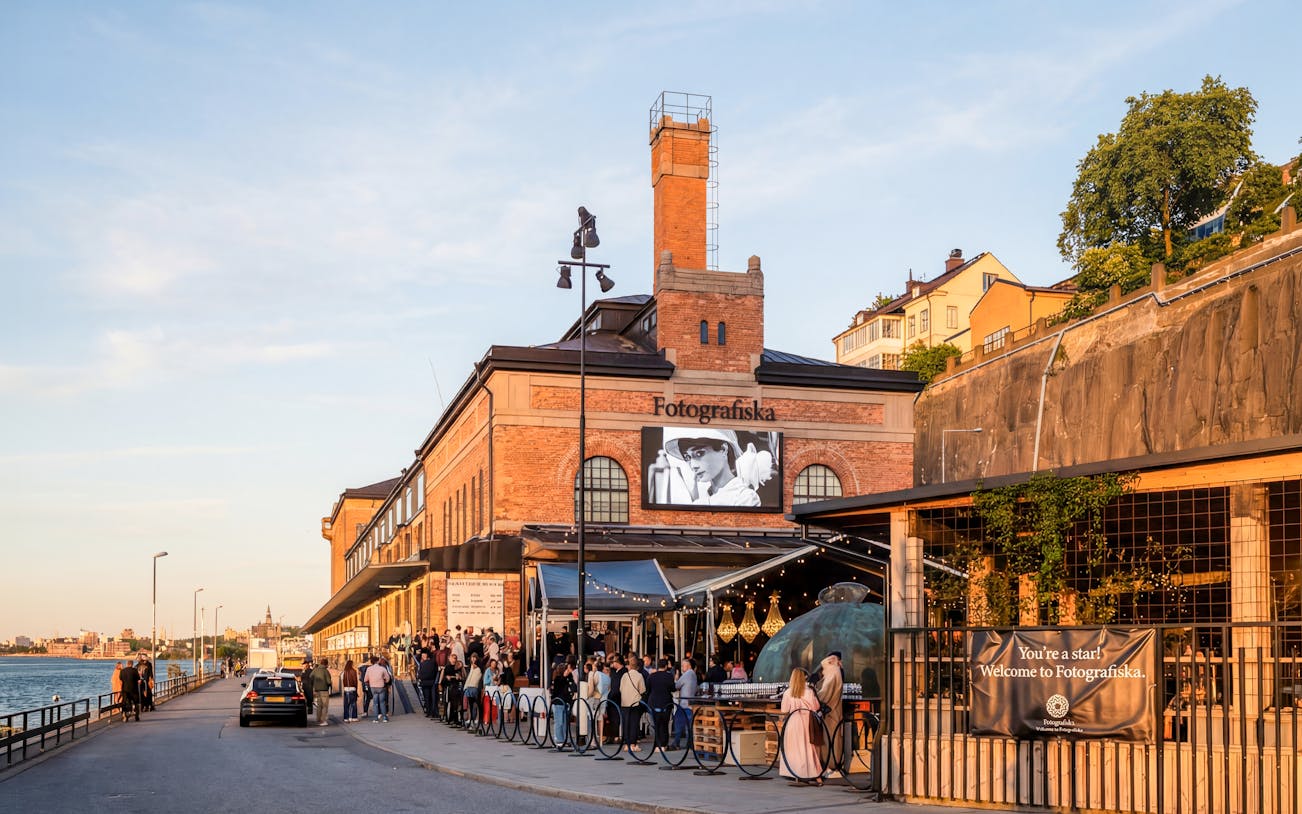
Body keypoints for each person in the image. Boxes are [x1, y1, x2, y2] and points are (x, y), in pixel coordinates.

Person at [661, 429, 772, 507]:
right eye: (688, 457)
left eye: (699, 454)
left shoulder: (744, 498)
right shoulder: (702, 496)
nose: (693, 465)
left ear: (723, 450)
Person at [780, 667, 823, 785]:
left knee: (794, 748)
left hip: (793, 721)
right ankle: (813, 773)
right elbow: (816, 707)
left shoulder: (788, 692)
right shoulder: (809, 692)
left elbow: (784, 710)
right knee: (808, 747)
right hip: (806, 721)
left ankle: (794, 772)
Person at [815, 650, 845, 775]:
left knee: (829, 740)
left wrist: (812, 693)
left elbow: (824, 695)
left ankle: (831, 764)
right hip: (835, 712)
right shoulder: (836, 672)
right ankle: (834, 764)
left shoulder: (832, 674)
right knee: (835, 739)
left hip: (830, 714)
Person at [619, 654, 647, 753]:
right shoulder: (640, 676)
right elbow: (642, 690)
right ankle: (633, 744)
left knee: (626, 723)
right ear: (638, 666)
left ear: (629, 666)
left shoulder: (624, 676)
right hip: (635, 703)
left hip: (624, 703)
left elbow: (621, 689)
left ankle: (626, 744)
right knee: (634, 724)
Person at [646, 658, 675, 748]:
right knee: (664, 724)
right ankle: (663, 744)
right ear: (666, 666)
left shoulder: (651, 676)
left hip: (654, 703)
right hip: (666, 703)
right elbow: (672, 689)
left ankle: (657, 744)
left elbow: (647, 690)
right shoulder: (669, 676)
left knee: (656, 724)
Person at [670, 657, 698, 749]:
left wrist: (676, 678)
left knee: (678, 723)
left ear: (688, 666)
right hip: (690, 703)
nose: (682, 667)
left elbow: (676, 686)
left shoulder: (687, 674)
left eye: (683, 665)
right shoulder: (693, 674)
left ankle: (676, 743)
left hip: (684, 703)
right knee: (688, 726)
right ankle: (689, 744)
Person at [550, 662, 576, 749]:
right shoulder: (558, 679)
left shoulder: (569, 678)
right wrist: (564, 676)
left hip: (566, 703)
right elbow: (558, 688)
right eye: (566, 669)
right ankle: (559, 740)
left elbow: (573, 686)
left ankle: (565, 739)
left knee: (565, 722)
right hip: (558, 703)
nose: (568, 671)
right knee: (559, 722)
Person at [441, 653, 466, 725]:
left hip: (457, 686)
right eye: (453, 658)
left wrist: (459, 678)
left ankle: (457, 718)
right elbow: (444, 679)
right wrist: (447, 678)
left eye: (455, 658)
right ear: (449, 659)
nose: (454, 660)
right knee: (452, 702)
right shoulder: (447, 667)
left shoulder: (458, 667)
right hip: (450, 686)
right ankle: (451, 718)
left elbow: (463, 677)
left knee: (457, 703)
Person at [365, 655, 391, 723]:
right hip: (381, 687)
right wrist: (384, 681)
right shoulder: (382, 668)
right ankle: (385, 718)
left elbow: (365, 679)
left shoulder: (368, 669)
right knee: (382, 702)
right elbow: (388, 679)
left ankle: (376, 718)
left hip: (373, 687)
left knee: (375, 703)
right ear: (377, 661)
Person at [309, 659, 332, 726]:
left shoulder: (315, 670)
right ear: (326, 664)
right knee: (325, 706)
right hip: (324, 690)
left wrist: (314, 683)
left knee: (319, 706)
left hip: (317, 690)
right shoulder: (325, 671)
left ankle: (318, 719)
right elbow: (328, 682)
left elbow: (310, 676)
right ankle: (323, 720)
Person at [417, 650, 438, 719]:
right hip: (432, 682)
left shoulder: (422, 664)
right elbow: (435, 671)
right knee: (433, 698)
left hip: (425, 682)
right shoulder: (433, 663)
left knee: (427, 698)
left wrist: (421, 678)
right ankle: (433, 712)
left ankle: (428, 712)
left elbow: (420, 674)